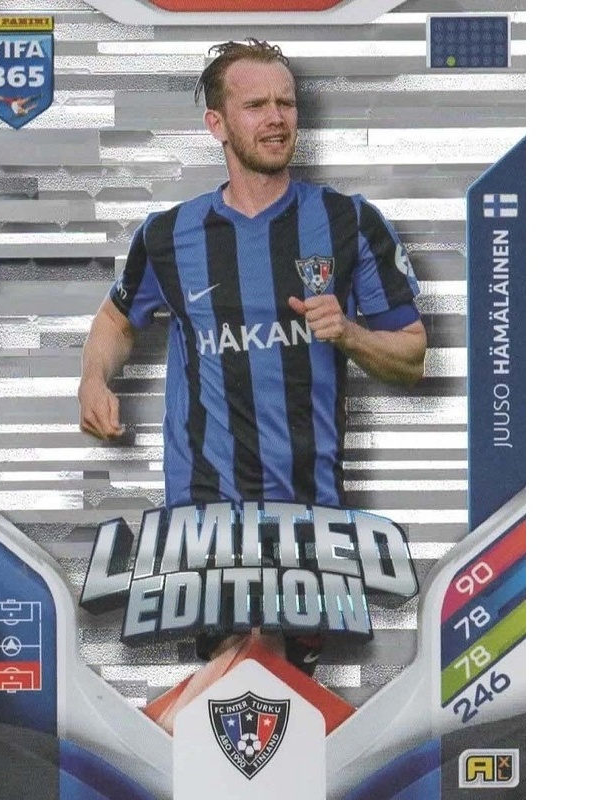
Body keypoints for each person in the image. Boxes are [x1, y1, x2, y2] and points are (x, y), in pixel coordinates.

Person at [78, 39, 427, 675]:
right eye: (256, 105)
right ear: (217, 124)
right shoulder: (167, 235)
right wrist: (94, 377)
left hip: (310, 513)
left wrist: (349, 334)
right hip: (204, 515)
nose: (276, 118)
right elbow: (116, 319)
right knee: (231, 675)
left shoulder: (349, 223)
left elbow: (411, 355)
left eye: (286, 103)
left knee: (291, 684)